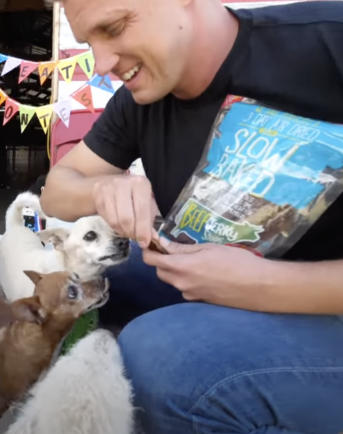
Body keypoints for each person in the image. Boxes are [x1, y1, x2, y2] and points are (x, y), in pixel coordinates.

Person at [41, 0, 343, 433]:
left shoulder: (329, 39)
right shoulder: (142, 97)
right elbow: (55, 191)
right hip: (228, 286)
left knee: (163, 358)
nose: (103, 63)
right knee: (105, 273)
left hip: (326, 307)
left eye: (115, 27)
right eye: (90, 41)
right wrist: (103, 187)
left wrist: (262, 285)